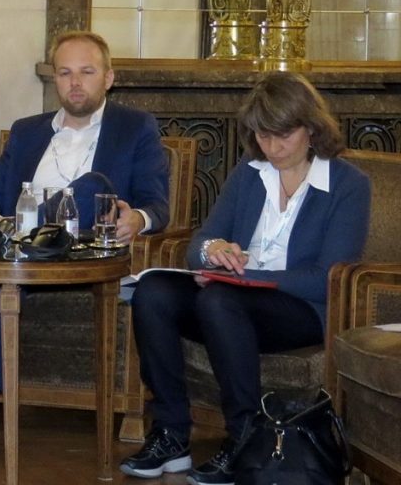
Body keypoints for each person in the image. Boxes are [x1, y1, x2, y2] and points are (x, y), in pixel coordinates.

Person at [119, 72, 371, 485]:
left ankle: (244, 440)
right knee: (154, 290)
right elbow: (198, 244)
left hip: (302, 310)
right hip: (230, 298)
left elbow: (326, 278)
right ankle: (171, 434)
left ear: (311, 128)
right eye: (263, 136)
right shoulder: (249, 172)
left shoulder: (348, 184)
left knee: (220, 298)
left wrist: (244, 275)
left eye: (283, 135)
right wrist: (214, 250)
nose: (272, 147)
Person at [0, 30, 170, 464]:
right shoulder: (27, 131)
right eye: (65, 73)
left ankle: (35, 233)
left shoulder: (135, 128)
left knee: (91, 188)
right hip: (22, 261)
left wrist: (137, 219)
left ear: (108, 78)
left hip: (87, 260)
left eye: (86, 72)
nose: (75, 83)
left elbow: (157, 204)